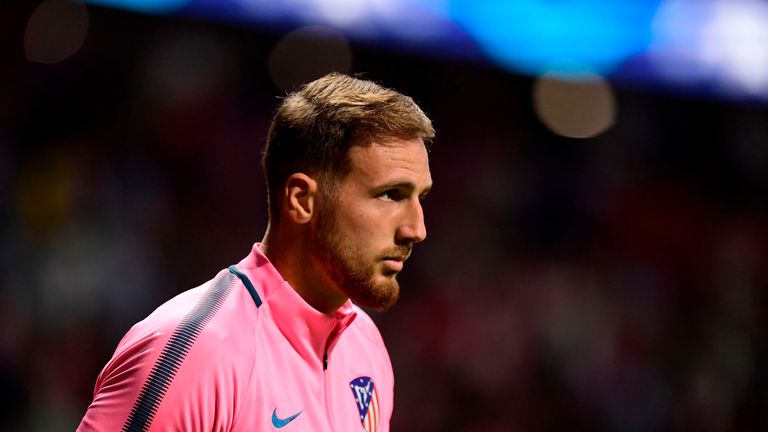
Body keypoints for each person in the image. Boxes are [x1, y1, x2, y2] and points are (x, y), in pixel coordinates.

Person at [78, 72, 435, 431]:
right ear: (302, 200)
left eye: (419, 198)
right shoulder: (196, 352)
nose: (416, 230)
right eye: (391, 195)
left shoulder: (366, 348)